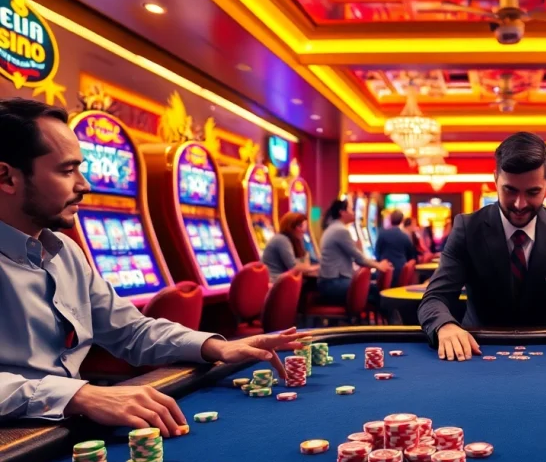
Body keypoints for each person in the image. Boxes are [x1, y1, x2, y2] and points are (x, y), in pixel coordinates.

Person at [0, 98, 305, 434]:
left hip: (57, 433)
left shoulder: (65, 252)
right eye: (66, 170)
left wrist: (216, 346)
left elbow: (131, 330)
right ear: (7, 178)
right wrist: (81, 395)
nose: (84, 184)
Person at [418, 132, 546, 361]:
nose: (520, 204)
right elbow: (434, 298)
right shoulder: (467, 228)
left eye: (532, 192)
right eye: (510, 190)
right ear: (495, 180)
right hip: (476, 350)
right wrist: (445, 326)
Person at [318, 199, 393, 305]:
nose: (353, 212)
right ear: (342, 212)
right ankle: (388, 320)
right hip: (333, 283)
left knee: (373, 288)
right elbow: (359, 259)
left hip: (331, 281)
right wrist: (379, 265)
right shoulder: (340, 230)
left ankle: (375, 319)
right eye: (350, 209)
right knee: (376, 291)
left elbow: (356, 254)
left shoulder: (334, 228)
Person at [262, 211, 318, 281]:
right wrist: (317, 267)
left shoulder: (292, 240)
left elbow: (303, 262)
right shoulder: (282, 239)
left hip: (283, 279)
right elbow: (293, 268)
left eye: (304, 226)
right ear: (290, 227)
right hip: (274, 280)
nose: (303, 230)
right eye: (300, 226)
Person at [375, 210, 417, 287]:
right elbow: (410, 256)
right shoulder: (405, 236)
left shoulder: (382, 234)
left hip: (384, 270)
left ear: (390, 219)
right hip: (401, 272)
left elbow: (377, 253)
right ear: (401, 221)